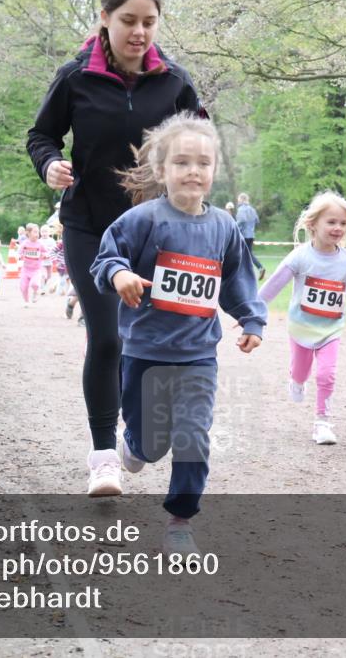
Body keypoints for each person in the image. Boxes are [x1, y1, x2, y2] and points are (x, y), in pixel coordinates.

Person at [26, 0, 204, 494]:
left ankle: (136, 437)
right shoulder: (75, 77)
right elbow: (41, 136)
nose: (139, 32)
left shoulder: (175, 82)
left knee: (155, 341)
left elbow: (199, 143)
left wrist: (192, 187)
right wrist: (50, 164)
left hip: (157, 231)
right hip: (90, 227)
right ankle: (103, 455)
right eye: (129, 20)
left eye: (149, 21)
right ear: (105, 18)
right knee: (107, 337)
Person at [90, 113, 265, 553]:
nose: (193, 171)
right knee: (150, 446)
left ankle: (180, 521)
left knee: (192, 436)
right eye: (182, 162)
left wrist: (251, 319)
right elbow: (105, 259)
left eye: (203, 163)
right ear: (161, 169)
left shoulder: (224, 227)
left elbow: (237, 279)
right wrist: (119, 275)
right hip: (145, 351)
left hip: (198, 355)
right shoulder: (143, 220)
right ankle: (134, 445)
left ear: (214, 171)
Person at [258, 192, 346, 444]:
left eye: (343, 223)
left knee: (326, 374)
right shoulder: (300, 256)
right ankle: (296, 381)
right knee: (301, 372)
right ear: (313, 224)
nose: (338, 228)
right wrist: (253, 310)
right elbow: (275, 283)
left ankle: (322, 423)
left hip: (331, 329)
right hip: (301, 327)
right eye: (331, 222)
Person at [235, 193, 266, 280]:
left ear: (242, 199)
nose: (238, 201)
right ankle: (256, 269)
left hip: (243, 235)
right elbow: (257, 220)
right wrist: (250, 226)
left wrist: (233, 226)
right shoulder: (252, 209)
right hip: (251, 235)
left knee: (242, 254)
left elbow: (241, 220)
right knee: (246, 254)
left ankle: (257, 269)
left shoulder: (241, 209)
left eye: (238, 199)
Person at [18, 223, 46, 306]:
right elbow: (19, 252)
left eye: (38, 232)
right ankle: (26, 301)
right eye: (35, 232)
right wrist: (20, 256)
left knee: (35, 284)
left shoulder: (40, 243)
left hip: (36, 270)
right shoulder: (25, 243)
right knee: (23, 286)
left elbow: (46, 252)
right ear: (28, 233)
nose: (37, 234)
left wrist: (45, 255)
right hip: (25, 269)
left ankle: (35, 292)